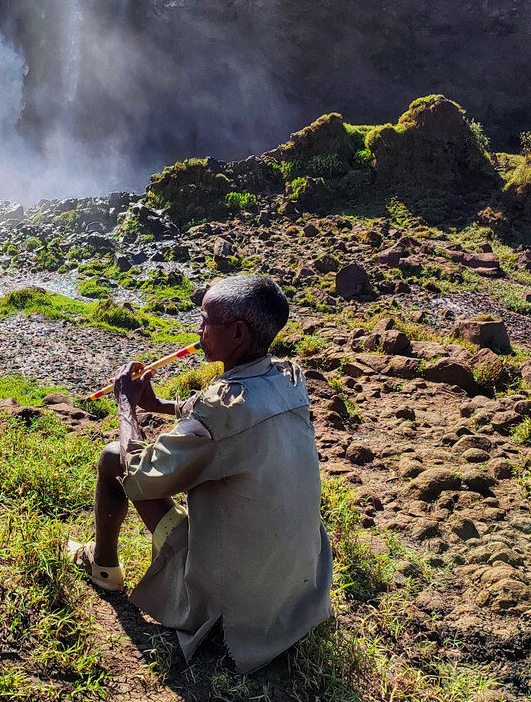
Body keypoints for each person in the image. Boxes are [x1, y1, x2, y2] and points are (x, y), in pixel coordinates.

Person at [66, 274, 333, 672]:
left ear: (239, 333)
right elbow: (220, 414)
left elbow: (139, 474)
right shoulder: (289, 378)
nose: (199, 329)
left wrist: (127, 407)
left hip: (239, 606)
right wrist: (155, 404)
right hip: (299, 590)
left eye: (207, 321)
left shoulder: (224, 410)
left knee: (112, 458)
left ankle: (103, 568)